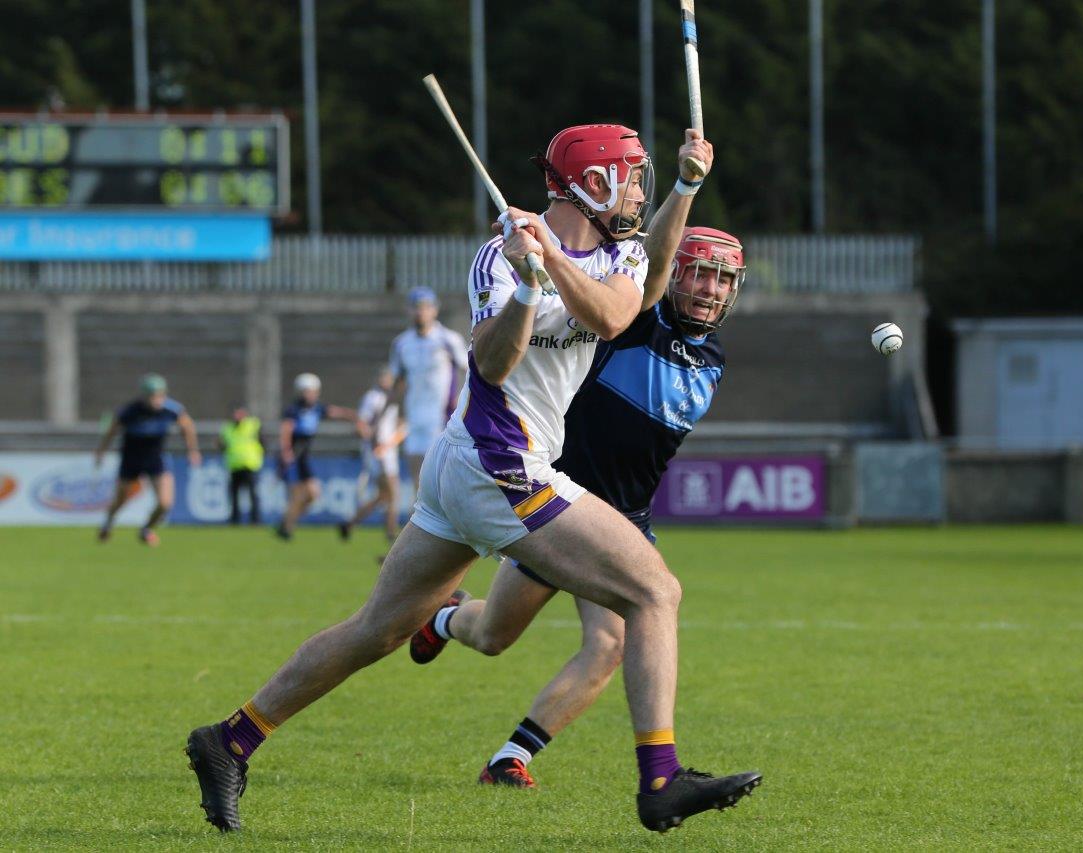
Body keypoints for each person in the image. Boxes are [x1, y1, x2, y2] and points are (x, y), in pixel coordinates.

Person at [185, 125, 758, 834]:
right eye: (632, 177)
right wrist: (526, 282)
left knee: (379, 630)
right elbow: (490, 363)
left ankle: (230, 737)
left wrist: (685, 185)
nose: (639, 190)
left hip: (476, 468)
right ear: (594, 182)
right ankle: (661, 778)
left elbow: (620, 308)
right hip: (498, 464)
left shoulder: (619, 255)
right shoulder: (498, 255)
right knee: (655, 591)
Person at [409, 226, 746, 792]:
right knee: (493, 636)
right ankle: (445, 617)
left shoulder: (712, 359)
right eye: (700, 272)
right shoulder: (637, 318)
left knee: (611, 642)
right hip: (553, 500)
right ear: (675, 274)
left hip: (622, 520)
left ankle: (509, 758)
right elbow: (653, 260)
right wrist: (687, 182)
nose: (711, 289)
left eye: (724, 278)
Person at [94, 373, 200, 546]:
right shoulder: (129, 412)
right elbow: (111, 432)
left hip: (155, 459)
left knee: (165, 503)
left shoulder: (171, 410)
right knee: (121, 499)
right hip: (131, 459)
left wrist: (193, 450)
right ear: (144, 396)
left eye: (160, 395)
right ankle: (108, 522)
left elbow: (187, 426)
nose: (157, 400)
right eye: (153, 396)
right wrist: (101, 452)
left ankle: (146, 529)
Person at [389, 287, 468, 491]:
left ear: (434, 310)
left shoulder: (448, 339)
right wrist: (392, 414)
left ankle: (446, 520)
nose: (420, 312)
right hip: (414, 418)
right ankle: (422, 521)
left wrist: (461, 404)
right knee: (417, 478)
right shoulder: (401, 344)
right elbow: (397, 382)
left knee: (441, 476)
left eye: (425, 307)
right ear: (408, 311)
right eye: (415, 308)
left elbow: (468, 371)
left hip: (442, 418)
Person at [274, 373, 362, 540]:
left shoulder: (317, 409)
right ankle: (286, 528)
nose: (311, 394)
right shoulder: (293, 410)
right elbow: (286, 430)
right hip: (294, 456)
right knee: (300, 495)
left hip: (303, 458)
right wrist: (286, 451)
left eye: (313, 391)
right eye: (308, 391)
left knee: (312, 495)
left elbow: (337, 412)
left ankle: (286, 524)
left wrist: (354, 416)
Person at [338, 366, 407, 544]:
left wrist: (398, 433)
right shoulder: (373, 398)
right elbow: (361, 424)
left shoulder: (390, 399)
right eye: (386, 378)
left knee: (384, 495)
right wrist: (373, 443)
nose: (388, 381)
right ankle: (392, 534)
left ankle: (350, 523)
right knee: (393, 493)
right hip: (378, 453)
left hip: (389, 452)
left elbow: (395, 423)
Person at [218, 406, 264, 525]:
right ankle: (235, 520)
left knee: (253, 494)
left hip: (250, 465)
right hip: (234, 466)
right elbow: (222, 445)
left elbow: (263, 442)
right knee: (234, 495)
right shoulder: (227, 428)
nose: (238, 416)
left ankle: (256, 520)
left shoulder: (253, 425)